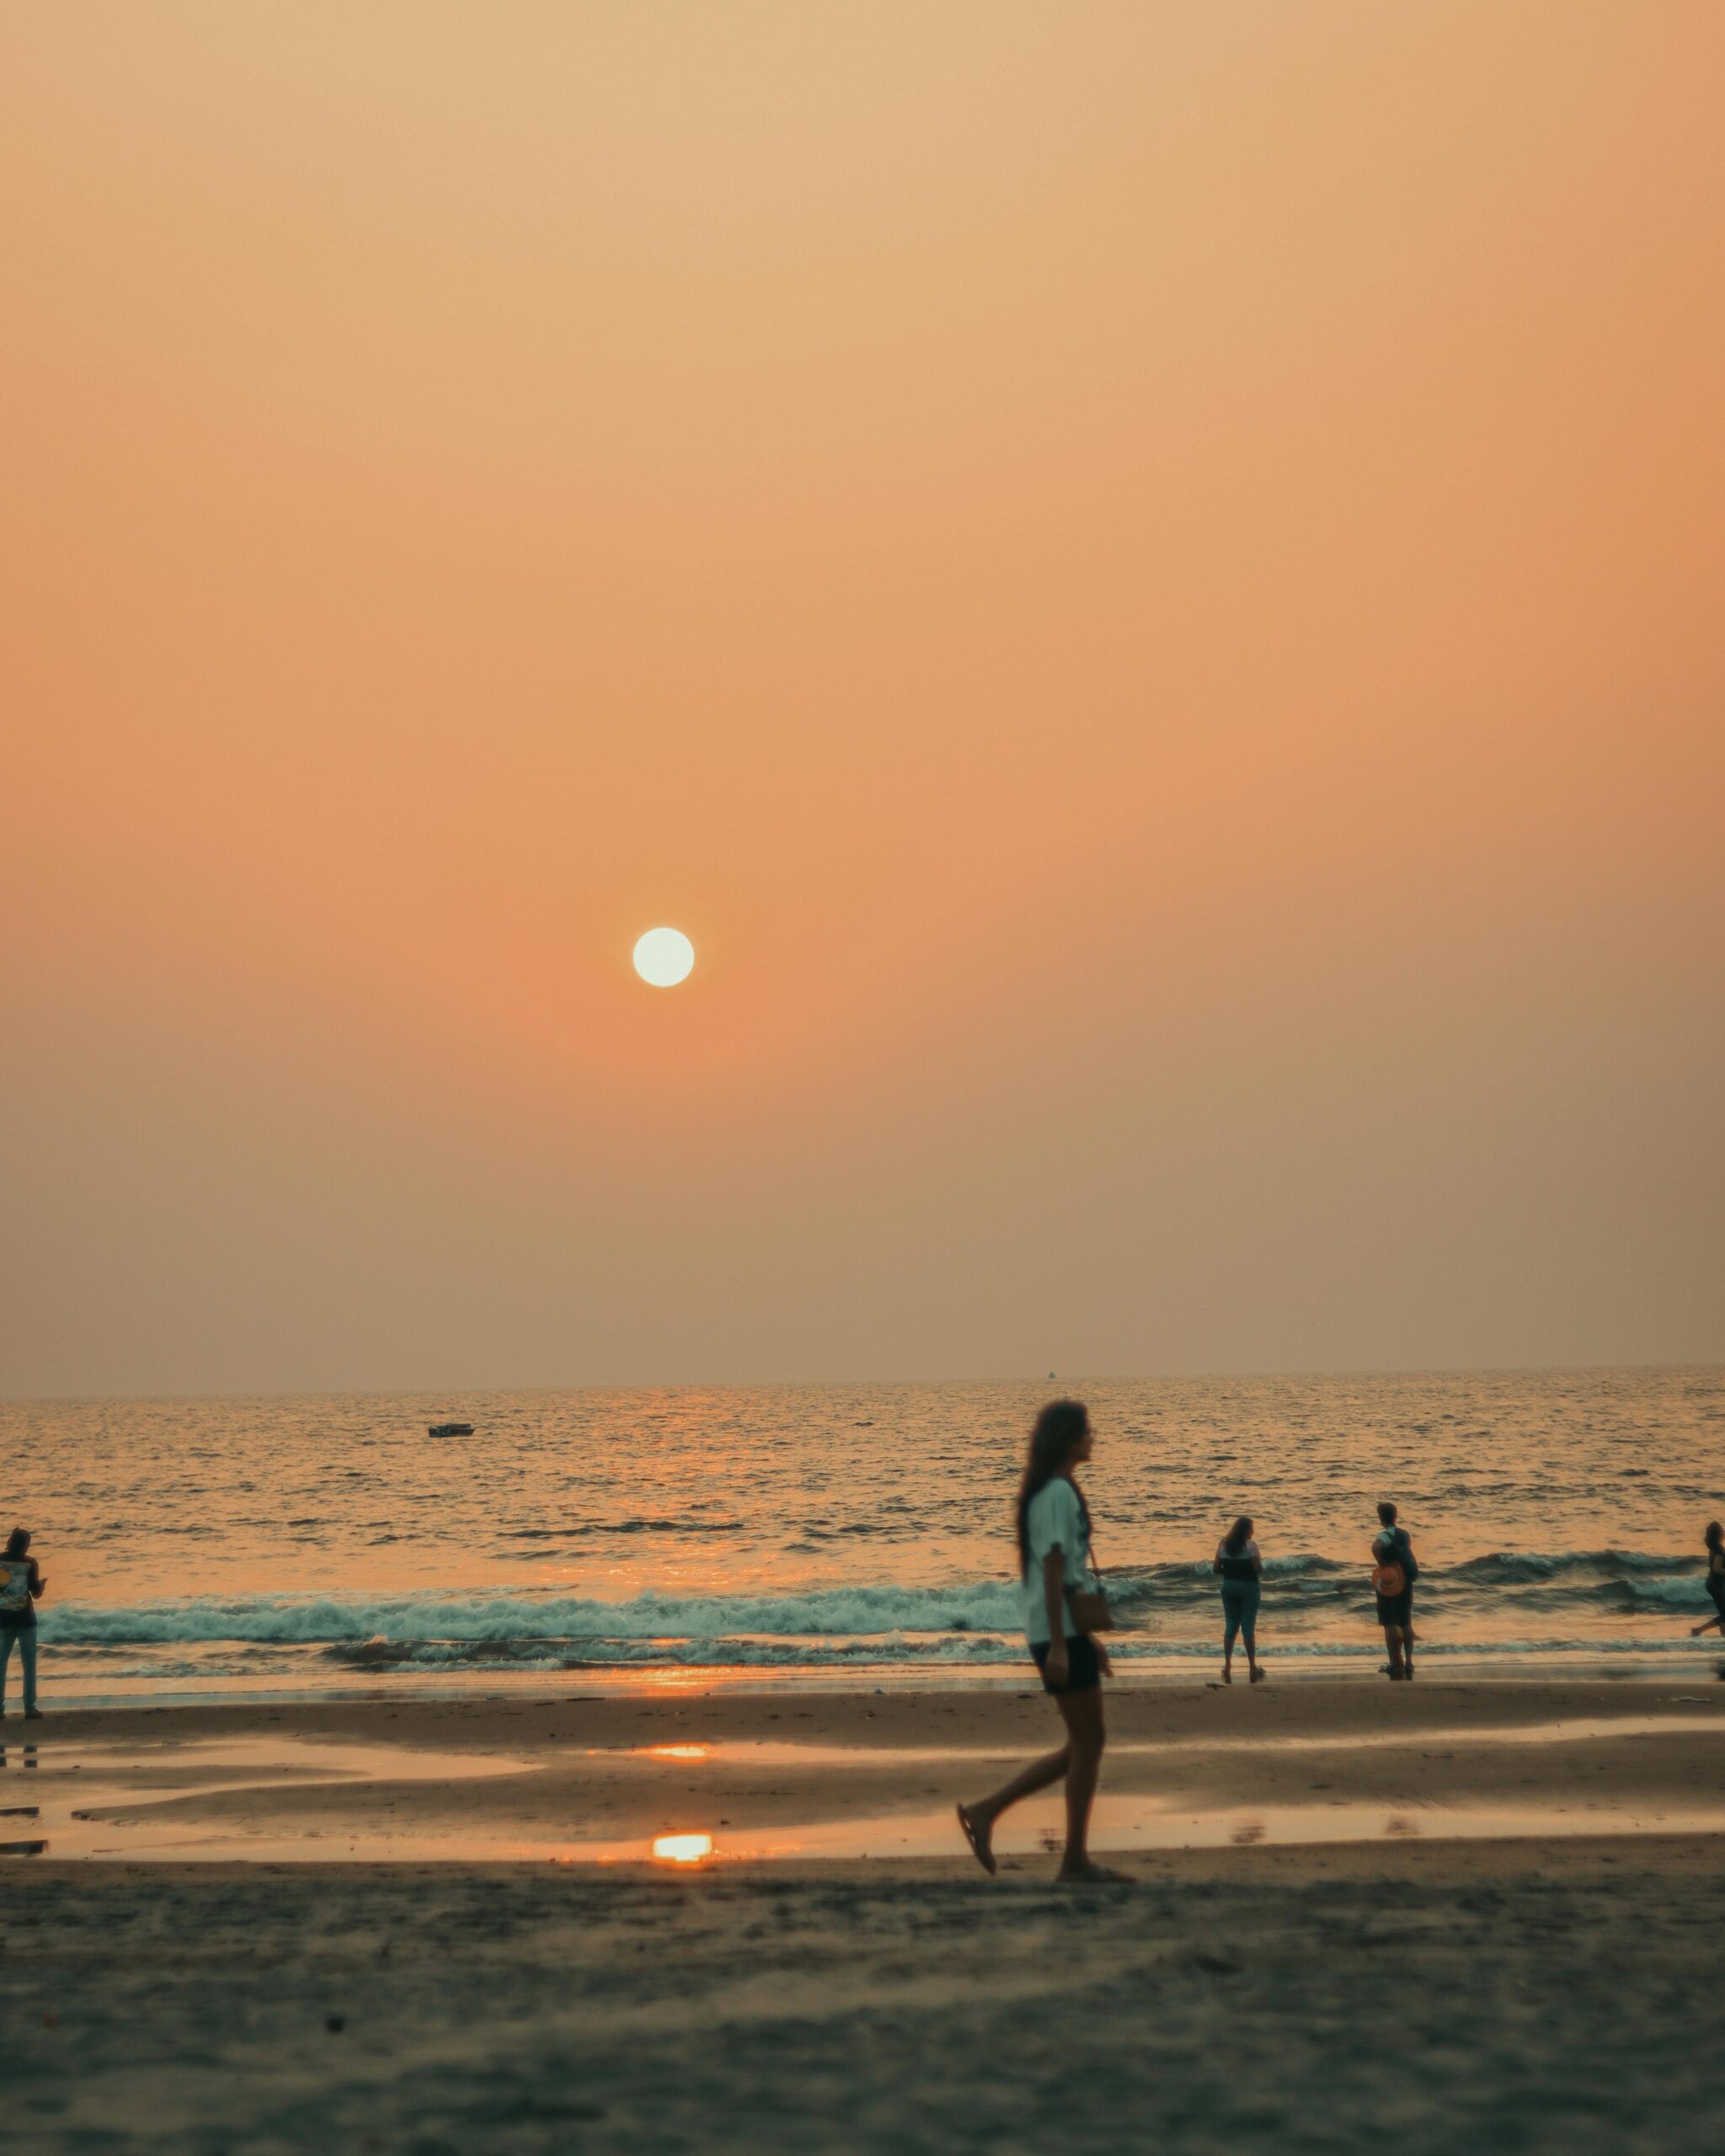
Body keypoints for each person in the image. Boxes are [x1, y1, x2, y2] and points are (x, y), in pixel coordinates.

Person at [957, 1400, 1124, 1884]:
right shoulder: (1057, 1493)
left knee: (1084, 1743)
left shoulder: (1053, 1490)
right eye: (1087, 1431)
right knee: (1090, 1741)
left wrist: (1084, 1638)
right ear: (1069, 1439)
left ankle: (988, 1812)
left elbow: (1062, 1575)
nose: (1093, 1437)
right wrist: (1058, 1643)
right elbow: (1053, 1572)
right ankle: (1072, 1860)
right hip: (1056, 1632)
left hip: (1062, 1629)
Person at [0, 1528, 46, 1720]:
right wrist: (41, 1586)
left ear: (11, 1541)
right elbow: (35, 1593)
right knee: (29, 1665)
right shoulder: (30, 1563)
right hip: (26, 1620)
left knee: (1, 1664)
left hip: (2, 1619)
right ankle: (29, 1707)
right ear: (25, 1544)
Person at [1213, 1514, 1264, 1684]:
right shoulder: (1251, 1546)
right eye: (1252, 1528)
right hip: (1249, 1588)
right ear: (1246, 1530)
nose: (1253, 1531)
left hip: (1228, 1587)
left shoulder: (1224, 1544)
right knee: (1248, 1628)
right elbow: (1258, 1568)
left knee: (1231, 1627)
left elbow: (1216, 1569)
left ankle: (1227, 1666)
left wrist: (1231, 1572)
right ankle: (1252, 1667)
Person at [1371, 1502, 1418, 1680]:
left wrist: (1382, 1563)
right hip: (1405, 1580)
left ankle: (1394, 1663)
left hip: (1391, 1583)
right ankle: (1409, 1662)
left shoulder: (1383, 1535)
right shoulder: (1404, 1534)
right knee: (1406, 1622)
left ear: (1381, 1519)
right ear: (1396, 1516)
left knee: (1389, 1623)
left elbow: (1375, 1548)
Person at [1690, 1520, 1725, 1638]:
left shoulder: (1715, 1548)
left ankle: (1699, 1631)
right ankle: (1722, 1638)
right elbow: (1717, 1568)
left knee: (1724, 1613)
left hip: (1712, 1583)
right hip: (1716, 1584)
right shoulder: (1719, 1549)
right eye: (1722, 1530)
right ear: (1720, 1534)